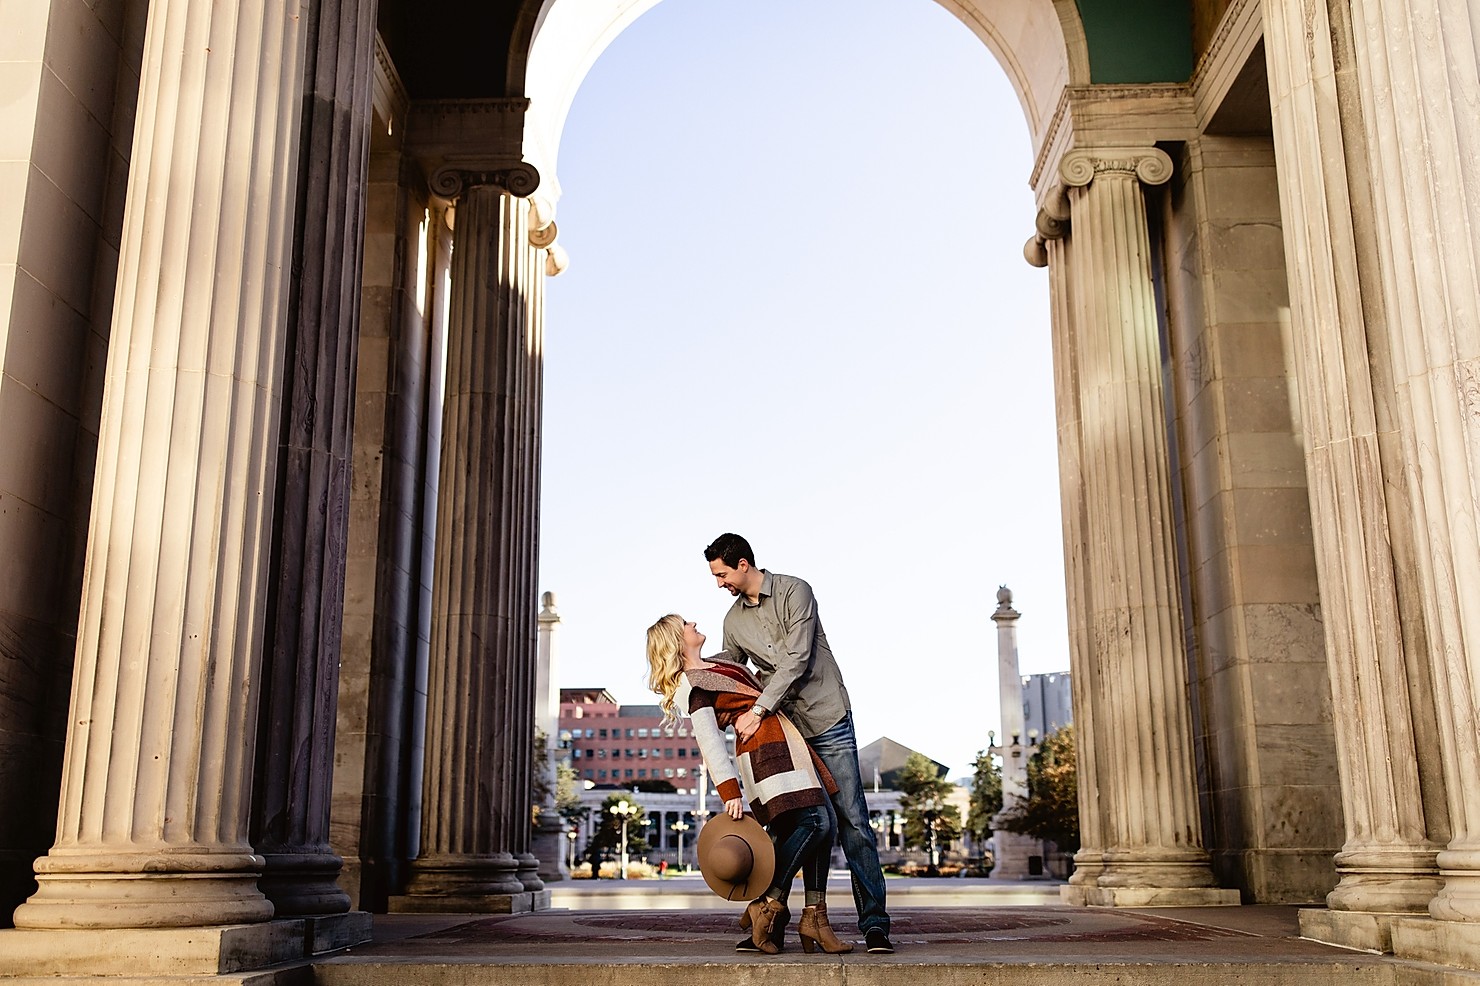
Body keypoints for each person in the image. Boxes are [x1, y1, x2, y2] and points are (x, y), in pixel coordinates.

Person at [703, 533, 894, 954]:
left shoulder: (795, 591)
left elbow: (797, 658)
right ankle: (779, 919)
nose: (719, 584)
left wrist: (758, 712)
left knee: (852, 821)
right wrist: (691, 675)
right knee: (800, 824)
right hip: (786, 730)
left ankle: (875, 925)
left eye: (721, 574)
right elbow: (734, 673)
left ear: (743, 564)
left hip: (827, 718)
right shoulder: (733, 621)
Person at [645, 614, 853, 955]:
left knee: (822, 829)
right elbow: (709, 741)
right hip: (766, 756)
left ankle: (815, 918)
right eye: (685, 623)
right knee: (817, 823)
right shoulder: (695, 686)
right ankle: (767, 903)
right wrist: (730, 791)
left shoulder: (715, 666)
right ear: (676, 641)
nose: (693, 622)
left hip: (784, 747)